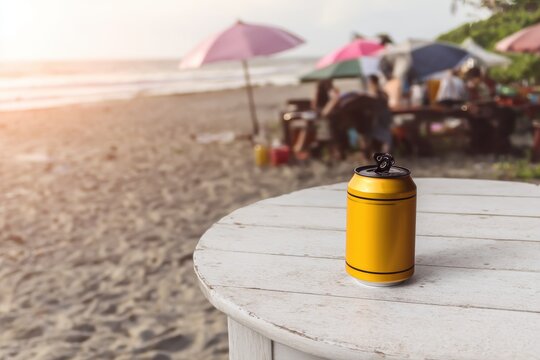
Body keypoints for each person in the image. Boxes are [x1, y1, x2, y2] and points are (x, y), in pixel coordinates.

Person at [367, 74, 393, 153]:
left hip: (378, 120)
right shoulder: (381, 94)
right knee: (385, 138)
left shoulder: (375, 94)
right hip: (381, 120)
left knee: (385, 138)